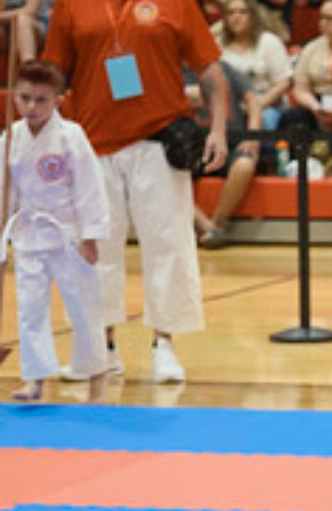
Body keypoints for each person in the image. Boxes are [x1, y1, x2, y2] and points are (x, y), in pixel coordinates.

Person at [43, 0, 229, 384]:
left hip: (158, 140)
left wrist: (219, 130)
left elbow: (209, 69)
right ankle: (100, 347)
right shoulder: (70, 4)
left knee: (168, 244)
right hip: (92, 143)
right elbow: (55, 72)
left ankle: (164, 344)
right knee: (94, 249)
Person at [2, 60, 110, 403]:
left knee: (83, 306)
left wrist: (90, 236)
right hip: (29, 235)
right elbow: (6, 194)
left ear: (59, 100)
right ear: (14, 97)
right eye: (25, 98)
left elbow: (89, 187)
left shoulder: (70, 135)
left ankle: (98, 379)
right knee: (30, 308)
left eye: (41, 100)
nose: (31, 107)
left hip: (68, 235)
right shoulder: (10, 137)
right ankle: (35, 379)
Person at [191, 61, 262, 249]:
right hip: (190, 146)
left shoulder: (225, 68)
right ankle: (205, 226)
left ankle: (215, 224)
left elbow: (253, 101)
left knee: (245, 165)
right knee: (164, 175)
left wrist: (252, 136)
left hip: (230, 142)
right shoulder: (170, 70)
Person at [283, 0, 332, 137]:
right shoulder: (311, 48)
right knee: (293, 117)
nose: (324, 23)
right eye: (321, 18)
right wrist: (314, 106)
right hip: (317, 104)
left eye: (330, 18)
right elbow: (300, 88)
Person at [215, 0, 292, 135]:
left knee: (264, 120)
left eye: (243, 12)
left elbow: (284, 82)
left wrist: (258, 105)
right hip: (228, 109)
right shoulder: (217, 44)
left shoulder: (269, 42)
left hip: (266, 106)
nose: (236, 17)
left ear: (253, 16)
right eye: (231, 13)